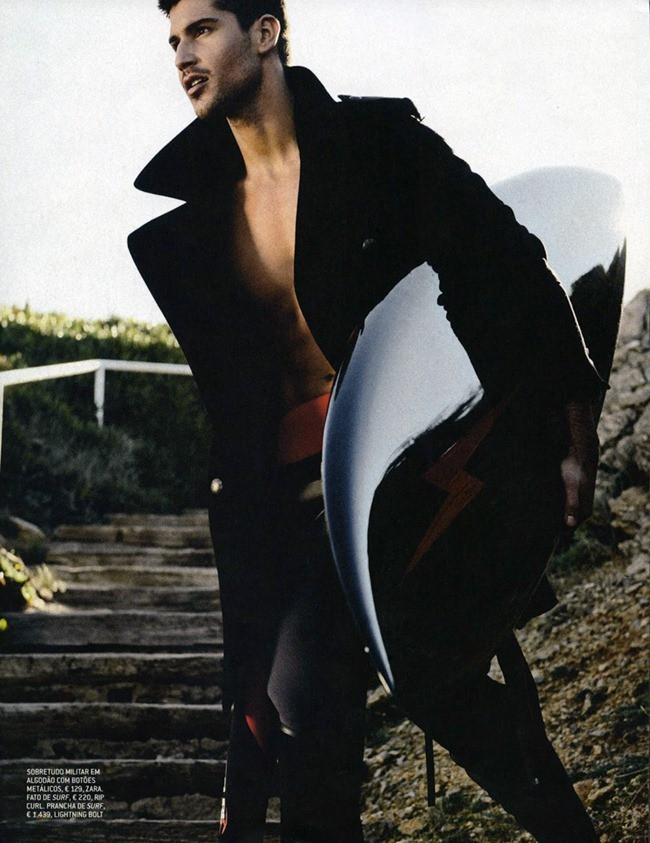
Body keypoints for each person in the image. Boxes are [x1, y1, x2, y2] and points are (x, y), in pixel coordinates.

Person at [128, 1, 603, 840]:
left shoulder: (378, 147)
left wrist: (569, 421)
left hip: (407, 482)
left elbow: (503, 262)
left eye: (201, 29)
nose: (181, 56)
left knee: (445, 688)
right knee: (308, 733)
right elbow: (233, 417)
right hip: (284, 515)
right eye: (173, 40)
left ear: (265, 32)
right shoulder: (199, 224)